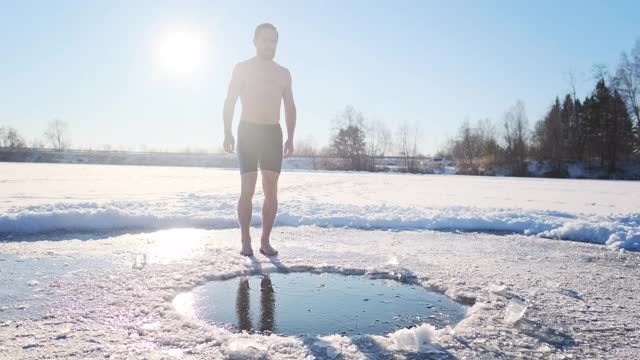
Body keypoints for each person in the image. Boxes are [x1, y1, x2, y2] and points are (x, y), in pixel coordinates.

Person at [223, 23, 297, 257]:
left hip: (272, 133)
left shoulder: (283, 73)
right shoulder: (242, 68)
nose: (269, 45)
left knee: (271, 190)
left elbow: (290, 106)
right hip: (248, 131)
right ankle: (245, 240)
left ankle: (265, 240)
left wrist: (291, 137)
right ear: (255, 41)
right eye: (265, 40)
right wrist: (227, 131)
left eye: (273, 41)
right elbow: (230, 100)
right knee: (247, 188)